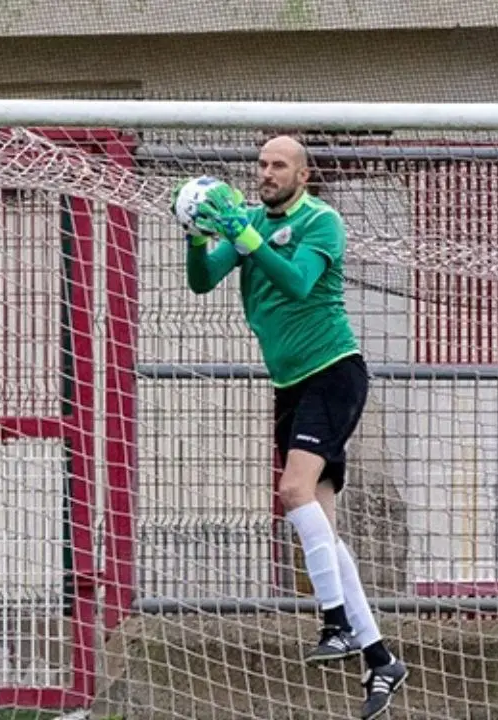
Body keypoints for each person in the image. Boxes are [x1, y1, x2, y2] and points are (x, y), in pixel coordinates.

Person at [175, 135, 407, 720]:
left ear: (303, 175)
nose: (267, 172)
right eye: (261, 164)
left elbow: (299, 283)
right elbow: (203, 280)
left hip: (333, 372)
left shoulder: (322, 222)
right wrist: (200, 236)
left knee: (292, 491)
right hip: (290, 388)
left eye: (279, 164)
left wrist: (248, 238)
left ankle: (334, 621)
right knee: (321, 528)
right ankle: (380, 657)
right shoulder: (247, 220)